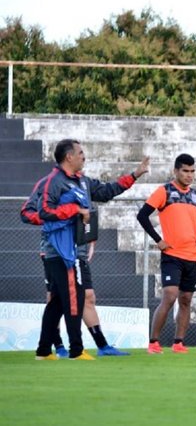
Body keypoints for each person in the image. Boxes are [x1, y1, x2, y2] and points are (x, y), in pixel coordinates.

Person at [34, 139, 149, 360]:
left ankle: (44, 351)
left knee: (60, 301)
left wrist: (135, 175)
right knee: (73, 299)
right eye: (81, 153)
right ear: (69, 157)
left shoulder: (83, 182)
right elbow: (44, 211)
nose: (84, 156)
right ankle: (75, 350)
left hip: (76, 250)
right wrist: (75, 209)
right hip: (60, 251)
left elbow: (107, 191)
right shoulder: (53, 182)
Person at [137, 153, 196, 354]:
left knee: (186, 299)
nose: (189, 175)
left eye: (192, 171)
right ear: (176, 171)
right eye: (185, 171)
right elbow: (142, 215)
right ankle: (154, 342)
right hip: (172, 254)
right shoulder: (164, 192)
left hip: (193, 256)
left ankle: (178, 343)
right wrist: (158, 240)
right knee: (170, 295)